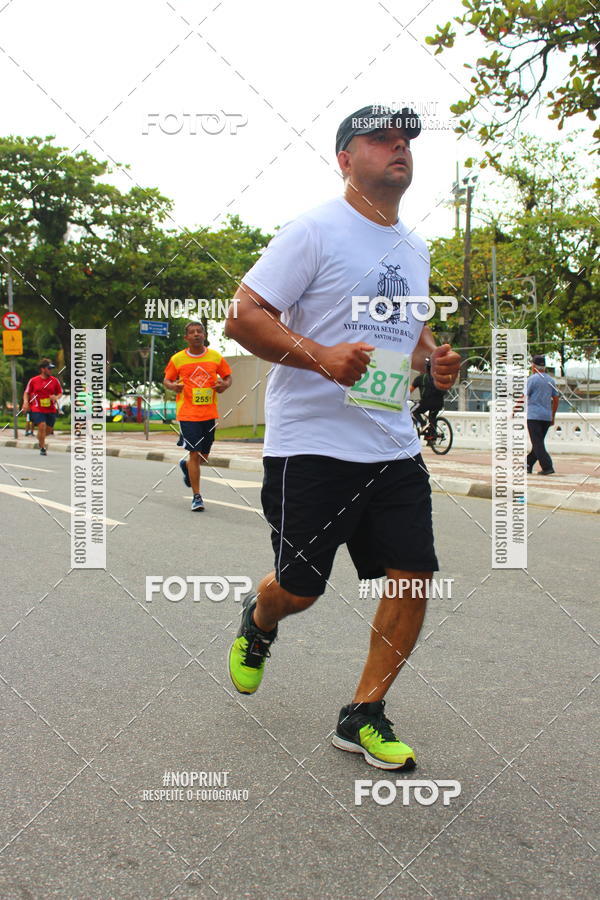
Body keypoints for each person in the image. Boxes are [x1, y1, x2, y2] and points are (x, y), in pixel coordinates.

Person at [225, 104, 461, 770]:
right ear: (344, 158)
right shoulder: (313, 232)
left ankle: (364, 713)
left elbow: (407, 336)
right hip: (313, 444)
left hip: (389, 445)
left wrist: (432, 358)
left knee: (414, 578)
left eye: (406, 140)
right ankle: (260, 616)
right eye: (381, 139)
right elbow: (243, 317)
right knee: (300, 590)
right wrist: (320, 355)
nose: (398, 149)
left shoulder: (413, 247)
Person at [163, 322, 232, 511]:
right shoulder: (177, 359)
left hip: (209, 413)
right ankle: (197, 497)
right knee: (194, 452)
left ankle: (186, 466)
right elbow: (167, 379)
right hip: (188, 413)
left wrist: (224, 385)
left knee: (204, 455)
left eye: (199, 331)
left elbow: (227, 377)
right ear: (186, 337)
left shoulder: (215, 357)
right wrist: (173, 386)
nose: (196, 335)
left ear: (204, 335)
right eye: (192, 332)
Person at [527, 354, 559, 475]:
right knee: (538, 442)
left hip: (534, 416)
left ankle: (547, 466)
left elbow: (524, 396)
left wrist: (515, 409)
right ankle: (527, 464)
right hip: (546, 416)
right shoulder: (551, 380)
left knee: (537, 443)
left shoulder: (532, 379)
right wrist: (553, 415)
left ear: (534, 367)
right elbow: (556, 399)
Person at [22, 359, 62, 456]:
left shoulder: (54, 381)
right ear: (42, 369)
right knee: (42, 425)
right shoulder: (33, 380)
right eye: (49, 368)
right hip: (37, 407)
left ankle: (40, 437)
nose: (50, 370)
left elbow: (60, 392)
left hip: (50, 408)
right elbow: (26, 392)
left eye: (51, 368)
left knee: (48, 430)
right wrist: (26, 402)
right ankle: (43, 448)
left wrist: (56, 397)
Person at [410, 364, 446, 441]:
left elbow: (409, 391)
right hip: (439, 403)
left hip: (426, 402)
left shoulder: (420, 378)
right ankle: (431, 437)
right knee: (432, 418)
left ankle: (423, 424)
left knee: (413, 411)